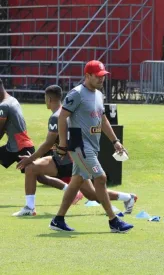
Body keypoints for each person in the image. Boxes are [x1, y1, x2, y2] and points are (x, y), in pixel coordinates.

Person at [12, 85, 137, 217]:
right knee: (31, 169)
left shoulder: (56, 117)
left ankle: (127, 198)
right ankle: (30, 208)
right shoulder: (63, 113)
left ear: (48, 99)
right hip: (62, 159)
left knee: (93, 194)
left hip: (69, 161)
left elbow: (48, 143)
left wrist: (30, 158)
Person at [48, 60, 133, 233]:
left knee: (76, 181)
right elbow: (62, 117)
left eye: (103, 76)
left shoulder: (99, 94)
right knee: (100, 178)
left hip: (92, 146)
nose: (102, 79)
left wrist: (115, 141)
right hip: (79, 145)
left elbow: (102, 119)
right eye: (98, 76)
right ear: (87, 76)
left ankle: (58, 220)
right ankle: (113, 220)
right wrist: (63, 143)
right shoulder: (77, 93)